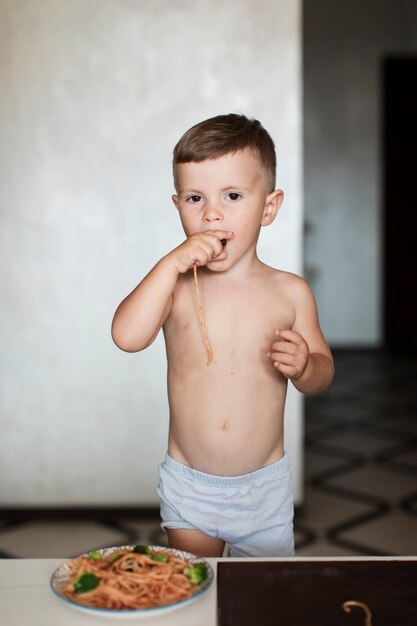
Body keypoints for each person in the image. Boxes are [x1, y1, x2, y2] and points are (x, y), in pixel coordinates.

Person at [112, 113, 333, 558]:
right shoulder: (173, 286)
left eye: (232, 196)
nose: (211, 213)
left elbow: (323, 373)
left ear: (268, 207)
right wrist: (169, 264)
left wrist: (306, 364)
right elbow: (127, 336)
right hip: (191, 484)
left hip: (263, 487)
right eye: (195, 198)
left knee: (264, 602)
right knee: (200, 594)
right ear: (178, 207)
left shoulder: (290, 292)